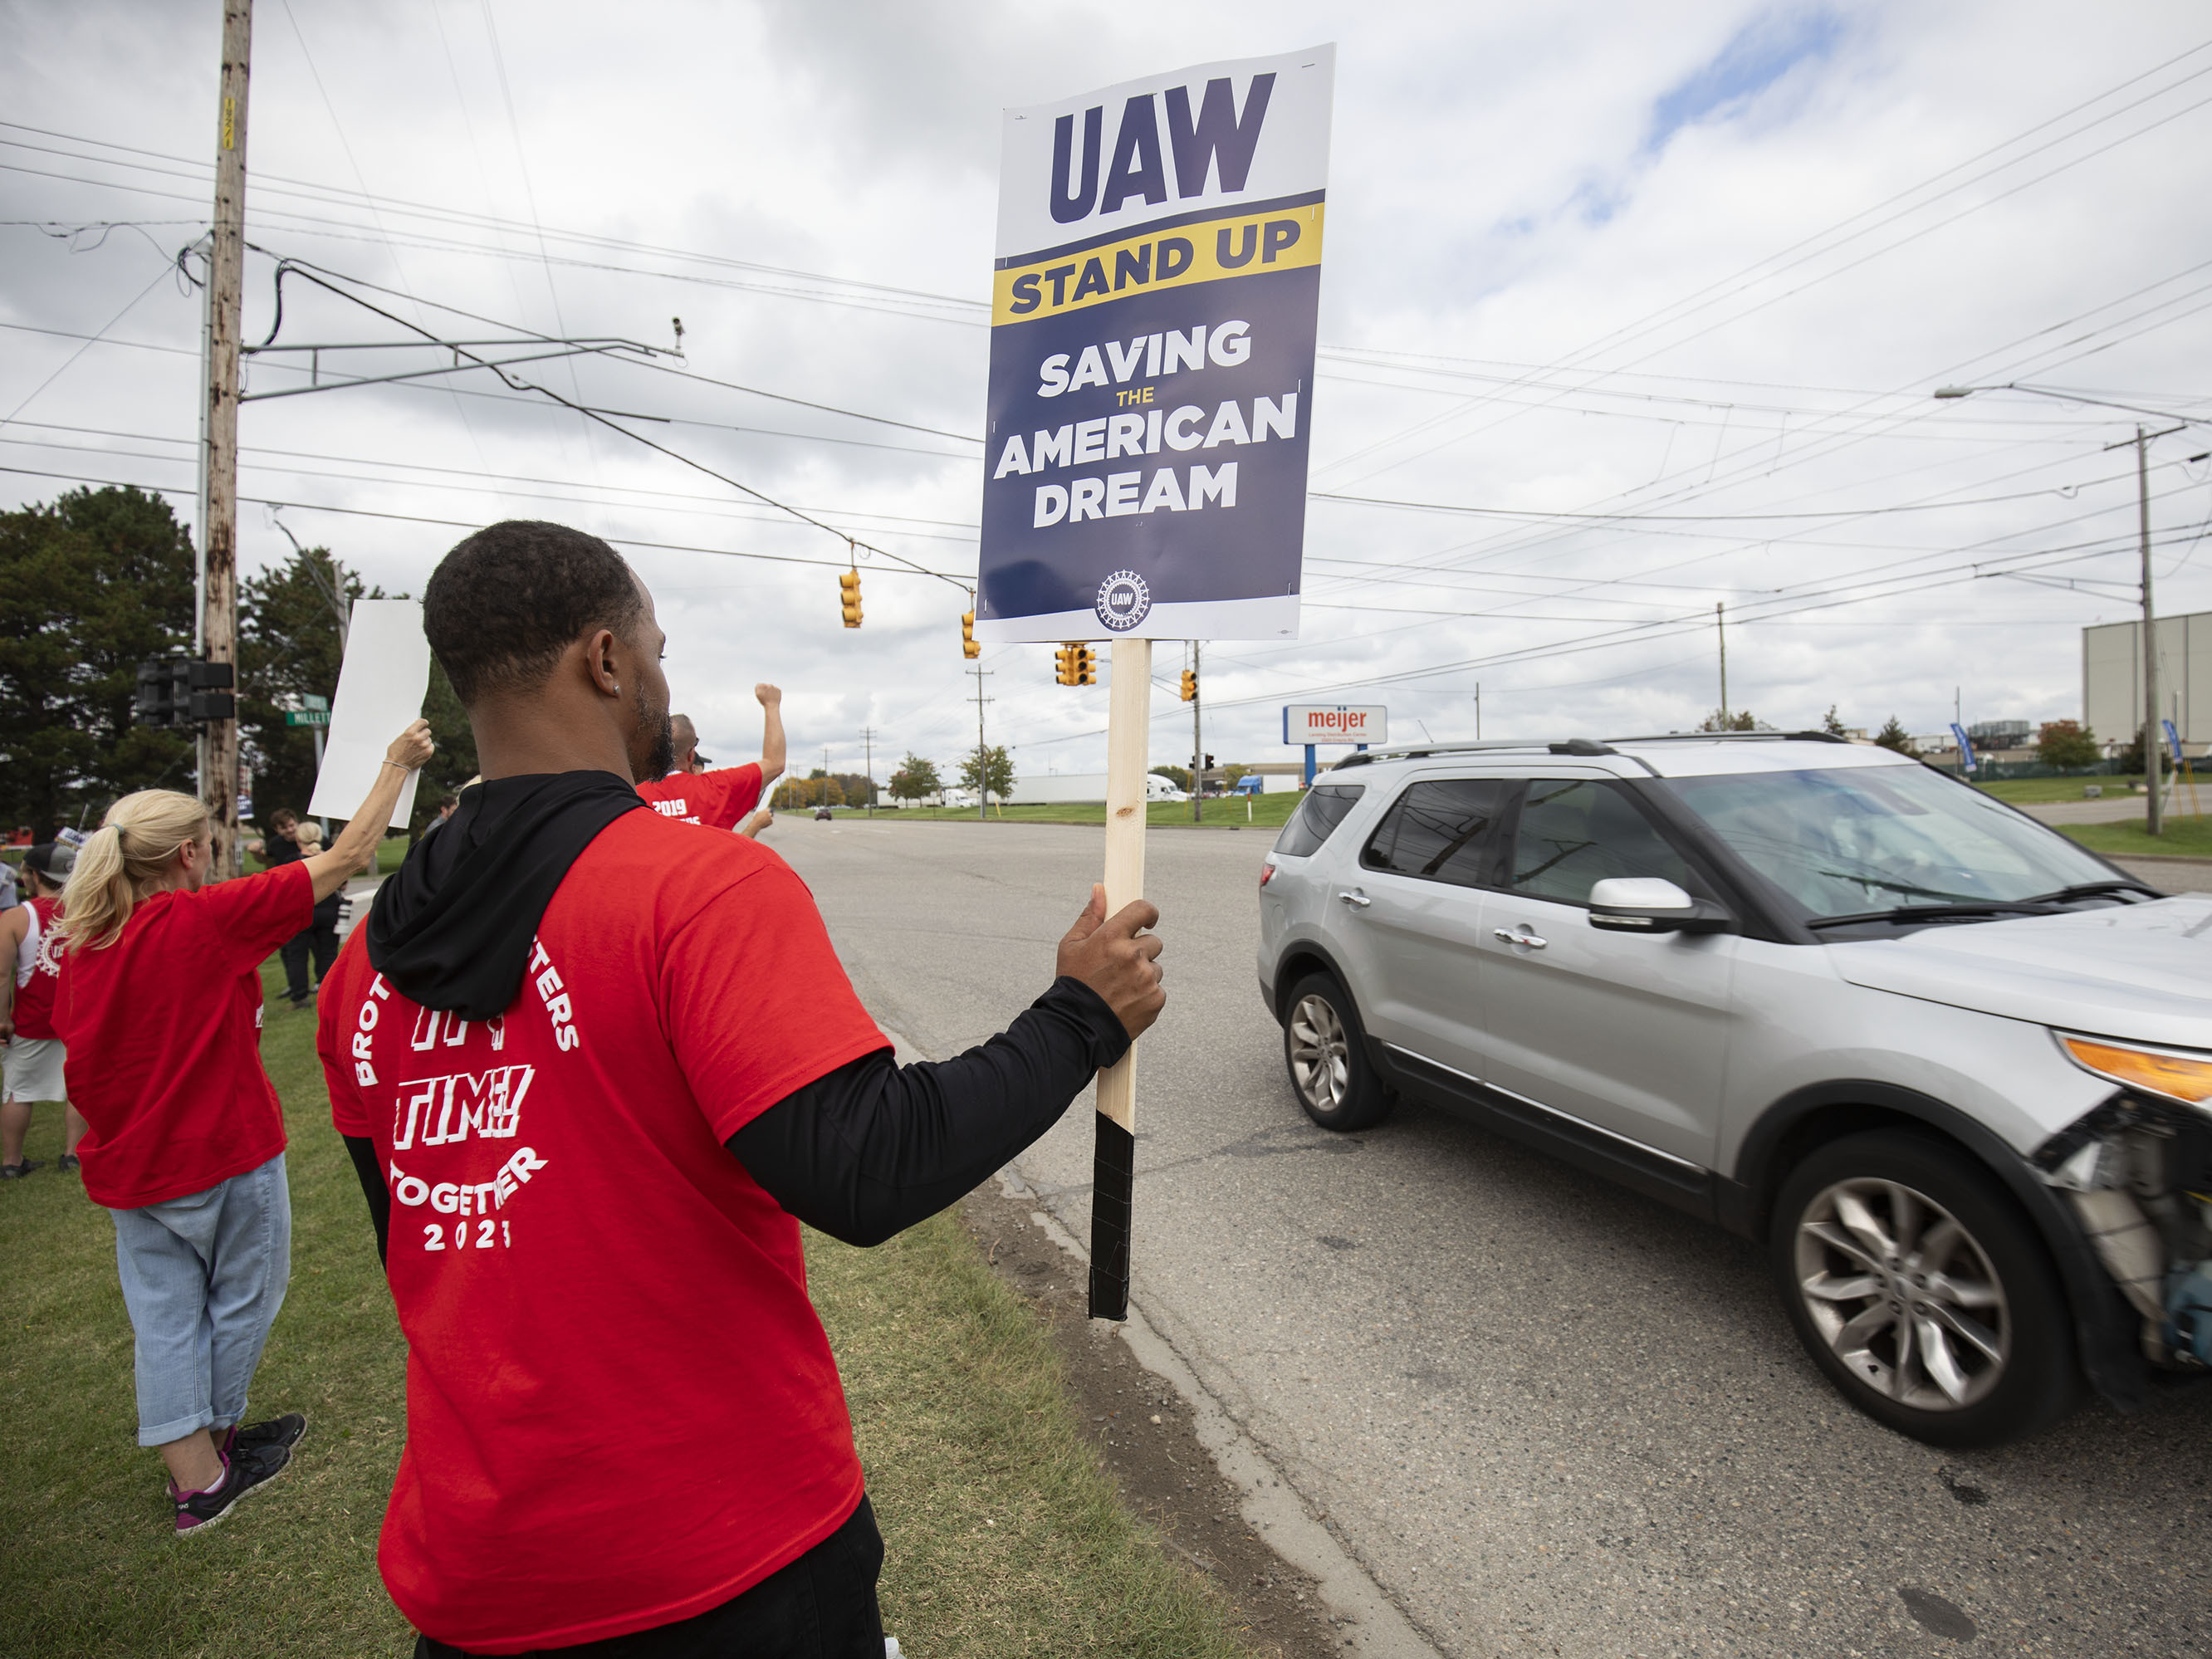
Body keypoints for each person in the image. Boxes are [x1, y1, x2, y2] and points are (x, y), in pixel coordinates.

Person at [316, 519, 1163, 1657]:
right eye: (656, 648)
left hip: (479, 1572)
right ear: (606, 659)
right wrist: (1079, 1017)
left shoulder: (362, 965)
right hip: (727, 1558)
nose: (663, 676)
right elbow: (865, 1166)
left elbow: (416, 1241)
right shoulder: (699, 888)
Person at [55, 721, 434, 1535]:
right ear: (188, 854)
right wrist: (395, 765)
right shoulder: (201, 922)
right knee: (240, 1304)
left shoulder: (87, 943)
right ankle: (211, 1461)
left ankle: (195, 1470)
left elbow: (80, 1068)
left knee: (164, 1319)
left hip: (132, 1171)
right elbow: (343, 862)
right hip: (222, 1155)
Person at [1, 844, 86, 1177]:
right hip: (79, 1017)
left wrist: (3, 1017)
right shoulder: (88, 910)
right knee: (77, 1090)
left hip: (31, 1020)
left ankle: (11, 1161)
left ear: (35, 876)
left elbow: (2, 974)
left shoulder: (16, 917)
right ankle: (73, 1154)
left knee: (18, 1090)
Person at [634, 685, 785, 830]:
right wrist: (771, 705)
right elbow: (774, 764)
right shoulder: (718, 787)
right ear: (691, 754)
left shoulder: (634, 795)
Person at [246, 810, 315, 1006]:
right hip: (288, 899)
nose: (291, 830)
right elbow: (268, 860)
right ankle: (296, 988)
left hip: (313, 898)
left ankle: (318, 984)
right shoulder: (276, 844)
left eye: (292, 825)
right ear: (277, 829)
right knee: (290, 950)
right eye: (285, 828)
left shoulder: (308, 837)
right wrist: (255, 853)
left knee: (320, 948)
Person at [291, 821, 344, 999]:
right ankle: (329, 989)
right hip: (329, 910)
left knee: (298, 955)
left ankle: (299, 994)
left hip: (302, 912)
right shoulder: (329, 859)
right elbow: (342, 884)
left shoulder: (292, 862)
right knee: (329, 952)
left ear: (299, 840)